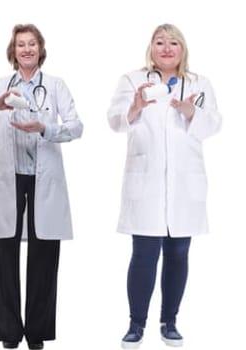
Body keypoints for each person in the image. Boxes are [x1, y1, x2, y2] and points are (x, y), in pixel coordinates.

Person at [0, 24, 82, 350]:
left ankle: (37, 334)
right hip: (9, 177)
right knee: (4, 255)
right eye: (20, 45)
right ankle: (9, 333)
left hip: (44, 178)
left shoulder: (56, 86)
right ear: (12, 51)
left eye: (32, 44)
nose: (26, 49)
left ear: (40, 49)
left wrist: (45, 128)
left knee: (44, 256)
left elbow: (76, 127)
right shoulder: (2, 85)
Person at [107, 23, 220, 350]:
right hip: (147, 183)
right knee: (144, 253)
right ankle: (136, 325)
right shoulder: (132, 81)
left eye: (174, 43)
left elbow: (213, 123)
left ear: (182, 49)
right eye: (160, 42)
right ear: (151, 48)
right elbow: (114, 120)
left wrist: (190, 111)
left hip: (185, 184)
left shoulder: (199, 83)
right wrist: (136, 107)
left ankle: (169, 321)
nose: (167, 48)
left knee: (178, 252)